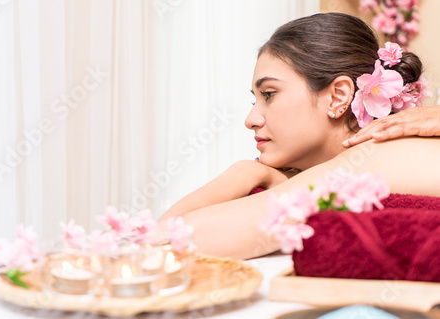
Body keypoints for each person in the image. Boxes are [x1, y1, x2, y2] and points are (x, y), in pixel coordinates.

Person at [159, 12, 440, 260]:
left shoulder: (376, 154)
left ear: (338, 96)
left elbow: (175, 237)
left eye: (269, 95)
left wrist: (244, 172)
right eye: (255, 100)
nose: (250, 120)